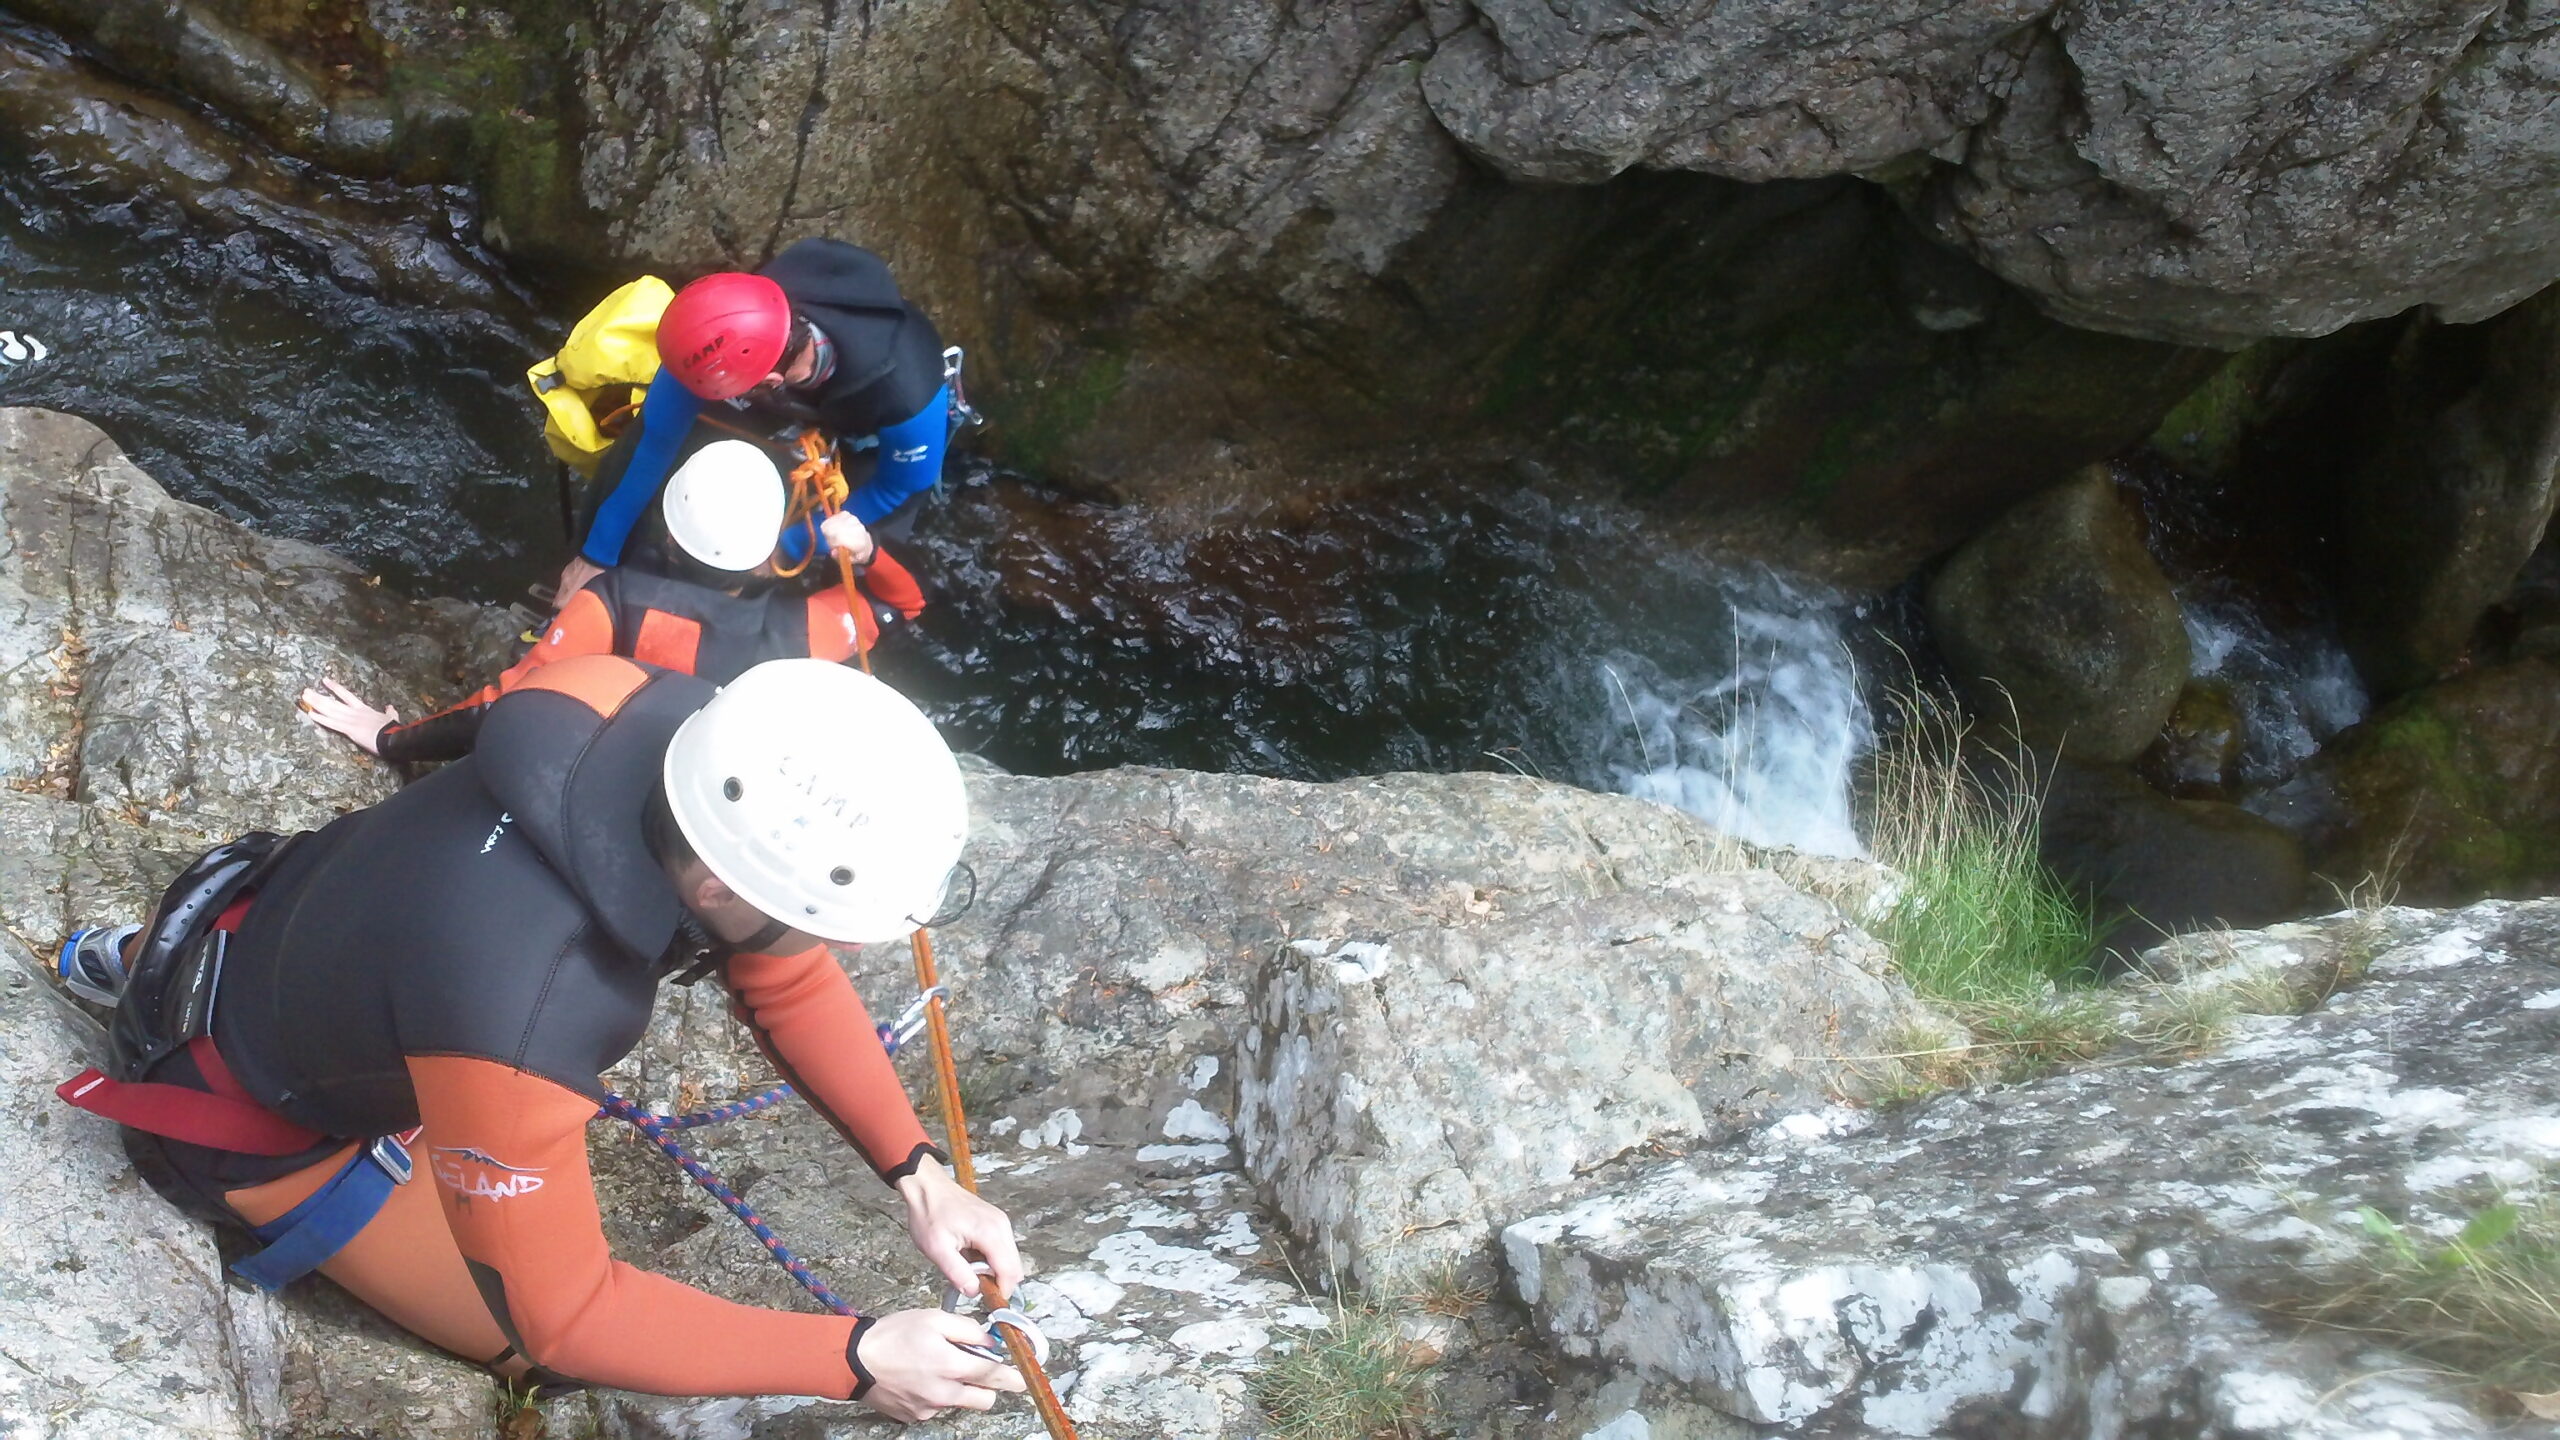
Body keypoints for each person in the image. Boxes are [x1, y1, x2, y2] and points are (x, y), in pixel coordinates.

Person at [56, 656, 1026, 1420]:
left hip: (265, 918)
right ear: (717, 890)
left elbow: (782, 972)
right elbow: (567, 1319)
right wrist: (856, 1359)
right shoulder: (520, 1019)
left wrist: (920, 1173)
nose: (833, 951)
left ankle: (126, 958)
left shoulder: (619, 695)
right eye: (822, 925)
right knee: (529, 1353)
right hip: (252, 1116)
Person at [300, 440, 926, 763]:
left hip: (596, 773)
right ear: (767, 553)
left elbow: (504, 708)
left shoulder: (613, 603)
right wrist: (868, 552)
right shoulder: (808, 630)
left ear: (668, 532)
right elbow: (905, 607)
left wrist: (391, 739)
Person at [559, 238, 955, 602]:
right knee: (633, 455)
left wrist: (787, 547)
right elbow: (656, 440)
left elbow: (899, 487)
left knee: (854, 560)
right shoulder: (727, 321)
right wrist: (596, 554)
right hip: (787, 397)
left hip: (868, 437)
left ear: (768, 383)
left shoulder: (906, 391)